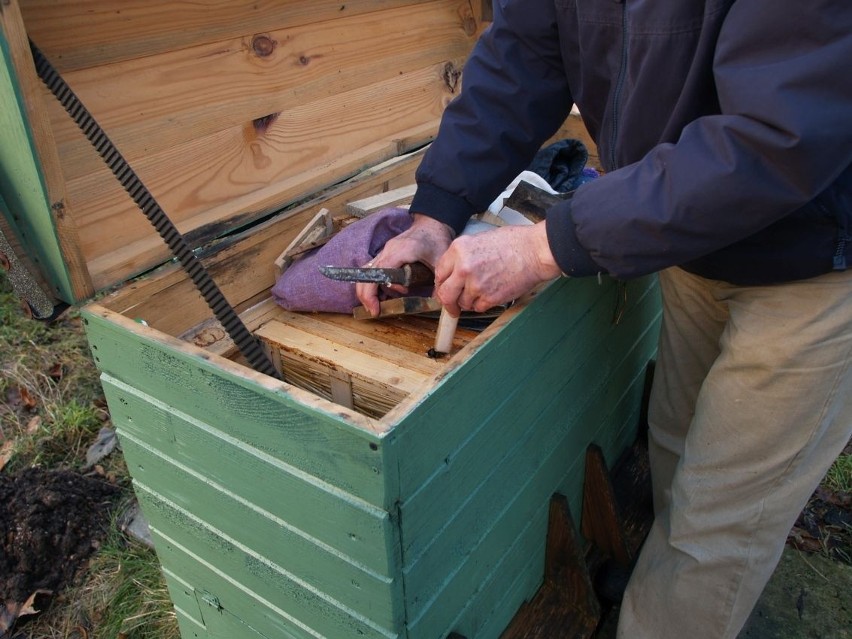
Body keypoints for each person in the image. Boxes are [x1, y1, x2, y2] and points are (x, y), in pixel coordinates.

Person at [356, 1, 852, 637]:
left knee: (720, 528)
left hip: (815, 263)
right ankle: (663, 581)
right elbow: (519, 63)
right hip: (691, 244)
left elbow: (777, 138)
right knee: (675, 438)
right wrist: (436, 216)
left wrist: (542, 247)